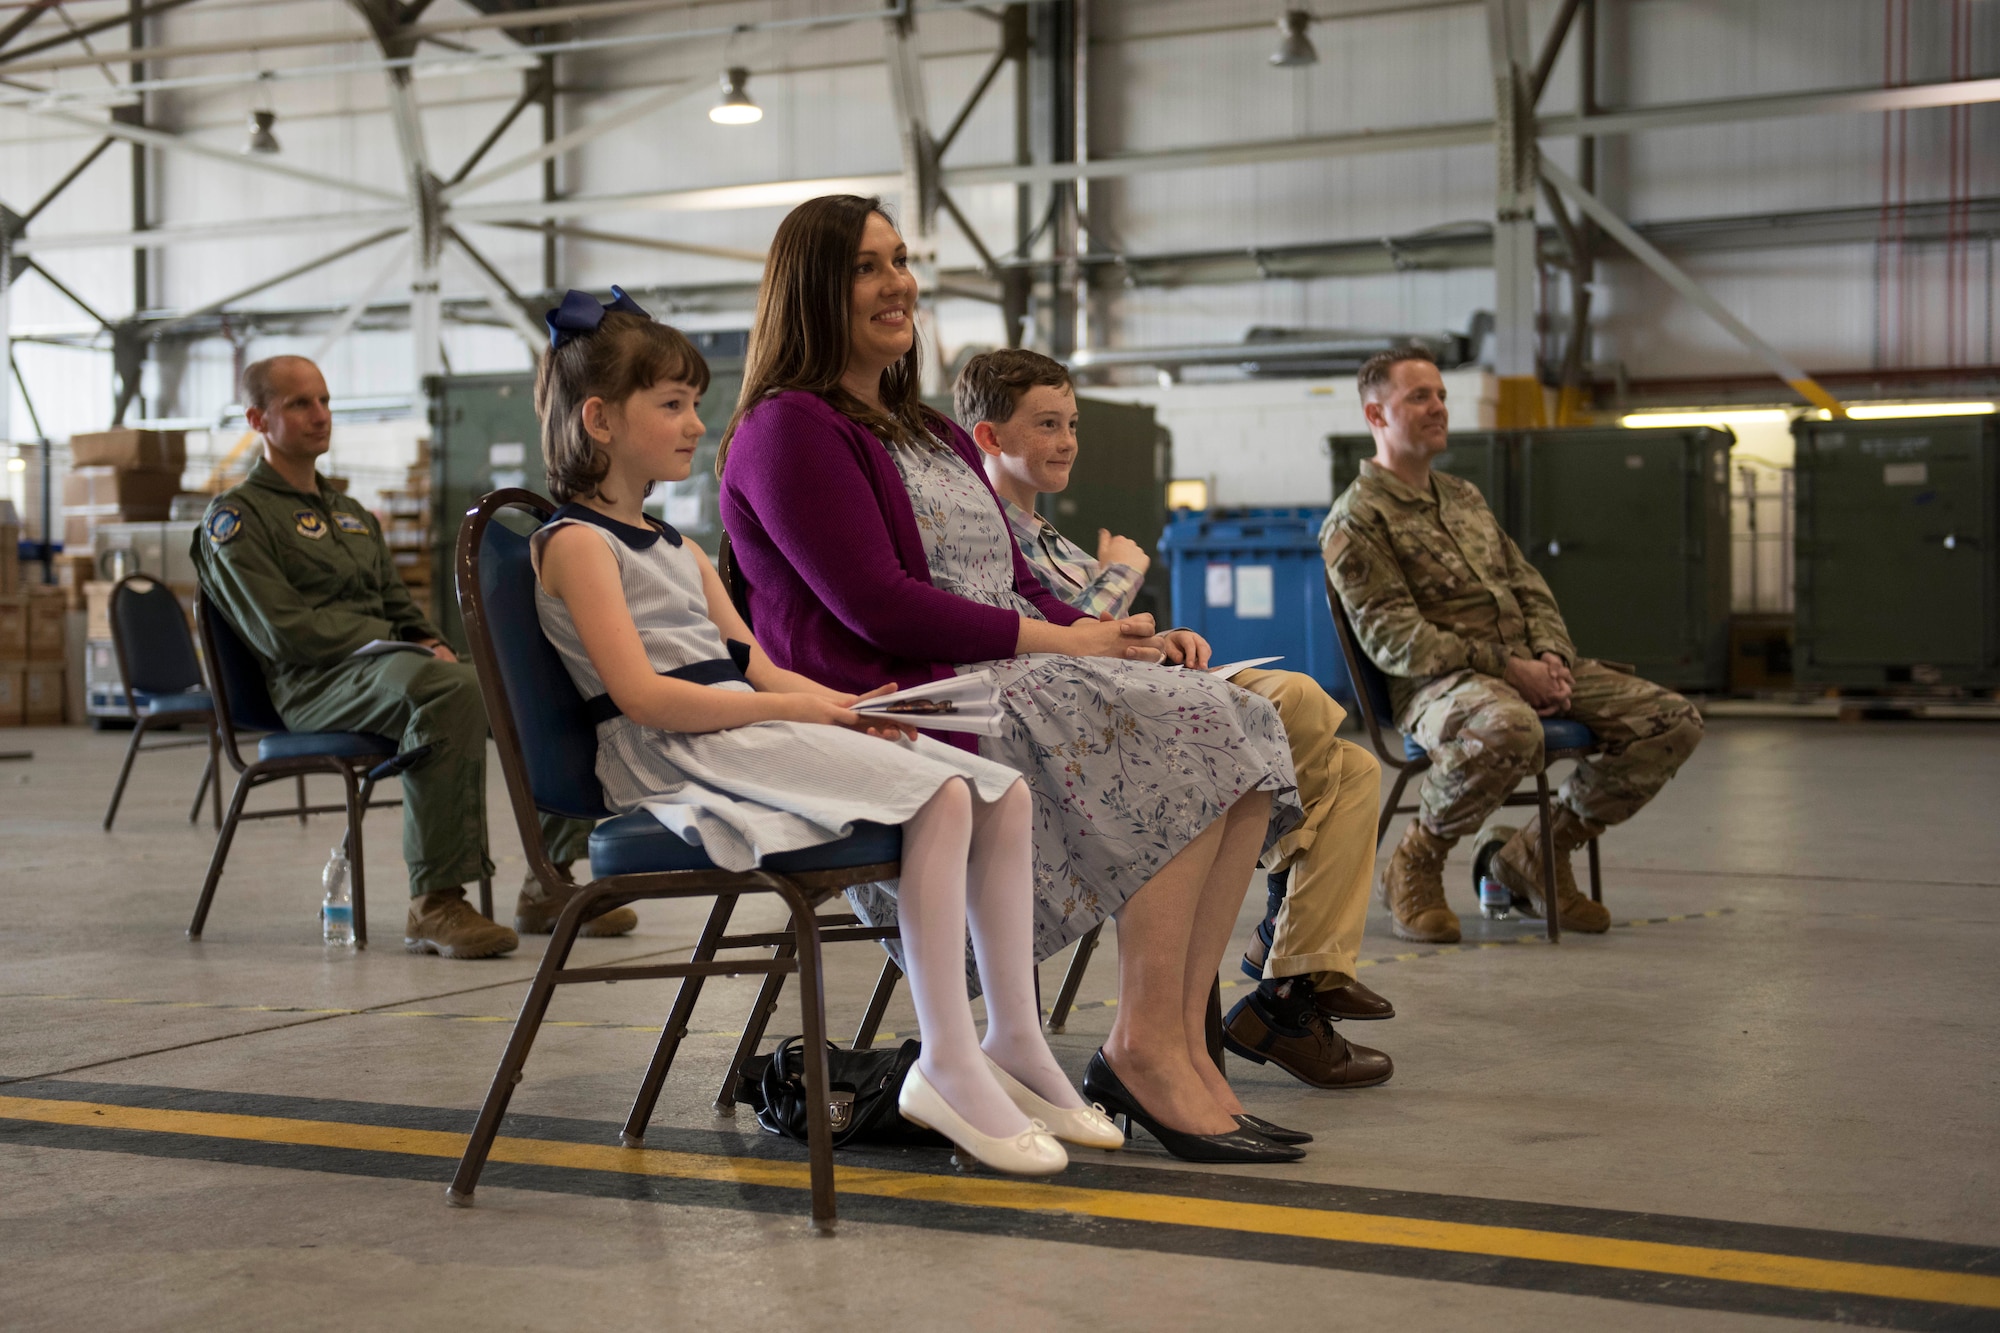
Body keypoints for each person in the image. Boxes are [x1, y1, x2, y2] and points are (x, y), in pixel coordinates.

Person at [719, 194, 1307, 1164]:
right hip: (895, 696)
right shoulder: (787, 430)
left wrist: (1110, 634)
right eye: (867, 266)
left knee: (1235, 718)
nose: (897, 282)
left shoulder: (927, 432)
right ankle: (1146, 1051)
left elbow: (1020, 577)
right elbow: (879, 607)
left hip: (980, 667)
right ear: (811, 286)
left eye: (900, 260)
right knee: (1194, 728)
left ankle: (1170, 1045)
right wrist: (1062, 648)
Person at [528, 285, 1117, 1175]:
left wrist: (846, 708)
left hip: (738, 727)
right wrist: (796, 709)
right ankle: (946, 1063)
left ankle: (1013, 1039)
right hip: (676, 753)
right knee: (944, 791)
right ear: (601, 419)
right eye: (674, 404)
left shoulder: (678, 549)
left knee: (999, 788)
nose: (697, 422)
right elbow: (645, 697)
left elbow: (759, 666)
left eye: (695, 402)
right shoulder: (575, 544)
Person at [957, 347, 1392, 1092]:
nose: (1067, 440)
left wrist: (1159, 639)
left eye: (1072, 423)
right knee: (1302, 707)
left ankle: (1292, 983)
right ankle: (1286, 967)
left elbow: (1095, 638)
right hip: (1081, 735)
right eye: (1048, 424)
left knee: (1354, 770)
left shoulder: (1053, 538)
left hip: (1138, 698)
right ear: (990, 438)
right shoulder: (982, 535)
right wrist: (1121, 575)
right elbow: (1040, 651)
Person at [191, 355, 612, 959]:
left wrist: (427, 639)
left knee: (543, 679)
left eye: (326, 401)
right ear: (258, 418)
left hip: (385, 670)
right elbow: (284, 631)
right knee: (448, 690)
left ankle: (549, 879)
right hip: (312, 685)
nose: (320, 416)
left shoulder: (351, 515)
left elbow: (398, 604)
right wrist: (398, 644)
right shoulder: (236, 519)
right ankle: (434, 902)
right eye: (300, 404)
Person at [1321, 347, 1704, 941]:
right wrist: (1510, 668)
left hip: (1522, 670)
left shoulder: (1464, 497)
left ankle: (1537, 853)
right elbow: (1396, 641)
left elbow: (1529, 587)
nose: (1437, 407)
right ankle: (1415, 861)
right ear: (1376, 414)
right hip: (1438, 687)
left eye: (1441, 395)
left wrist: (1550, 657)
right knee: (1510, 726)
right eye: (1418, 397)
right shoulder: (1357, 519)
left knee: (1672, 720)